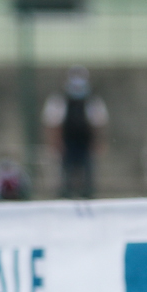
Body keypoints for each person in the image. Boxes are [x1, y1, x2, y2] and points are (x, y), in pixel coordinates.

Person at [43, 66, 107, 199]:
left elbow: (98, 124)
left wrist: (97, 142)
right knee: (65, 172)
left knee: (87, 171)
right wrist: (55, 143)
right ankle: (65, 195)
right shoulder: (59, 100)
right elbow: (53, 124)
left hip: (85, 142)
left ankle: (88, 194)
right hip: (67, 141)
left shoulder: (93, 101)